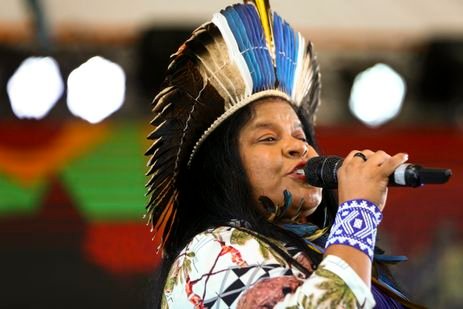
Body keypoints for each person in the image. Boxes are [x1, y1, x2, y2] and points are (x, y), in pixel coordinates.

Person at [145, 1, 424, 308]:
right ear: (223, 169)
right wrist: (359, 211)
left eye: (301, 136)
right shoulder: (209, 255)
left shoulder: (324, 252)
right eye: (267, 137)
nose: (298, 147)